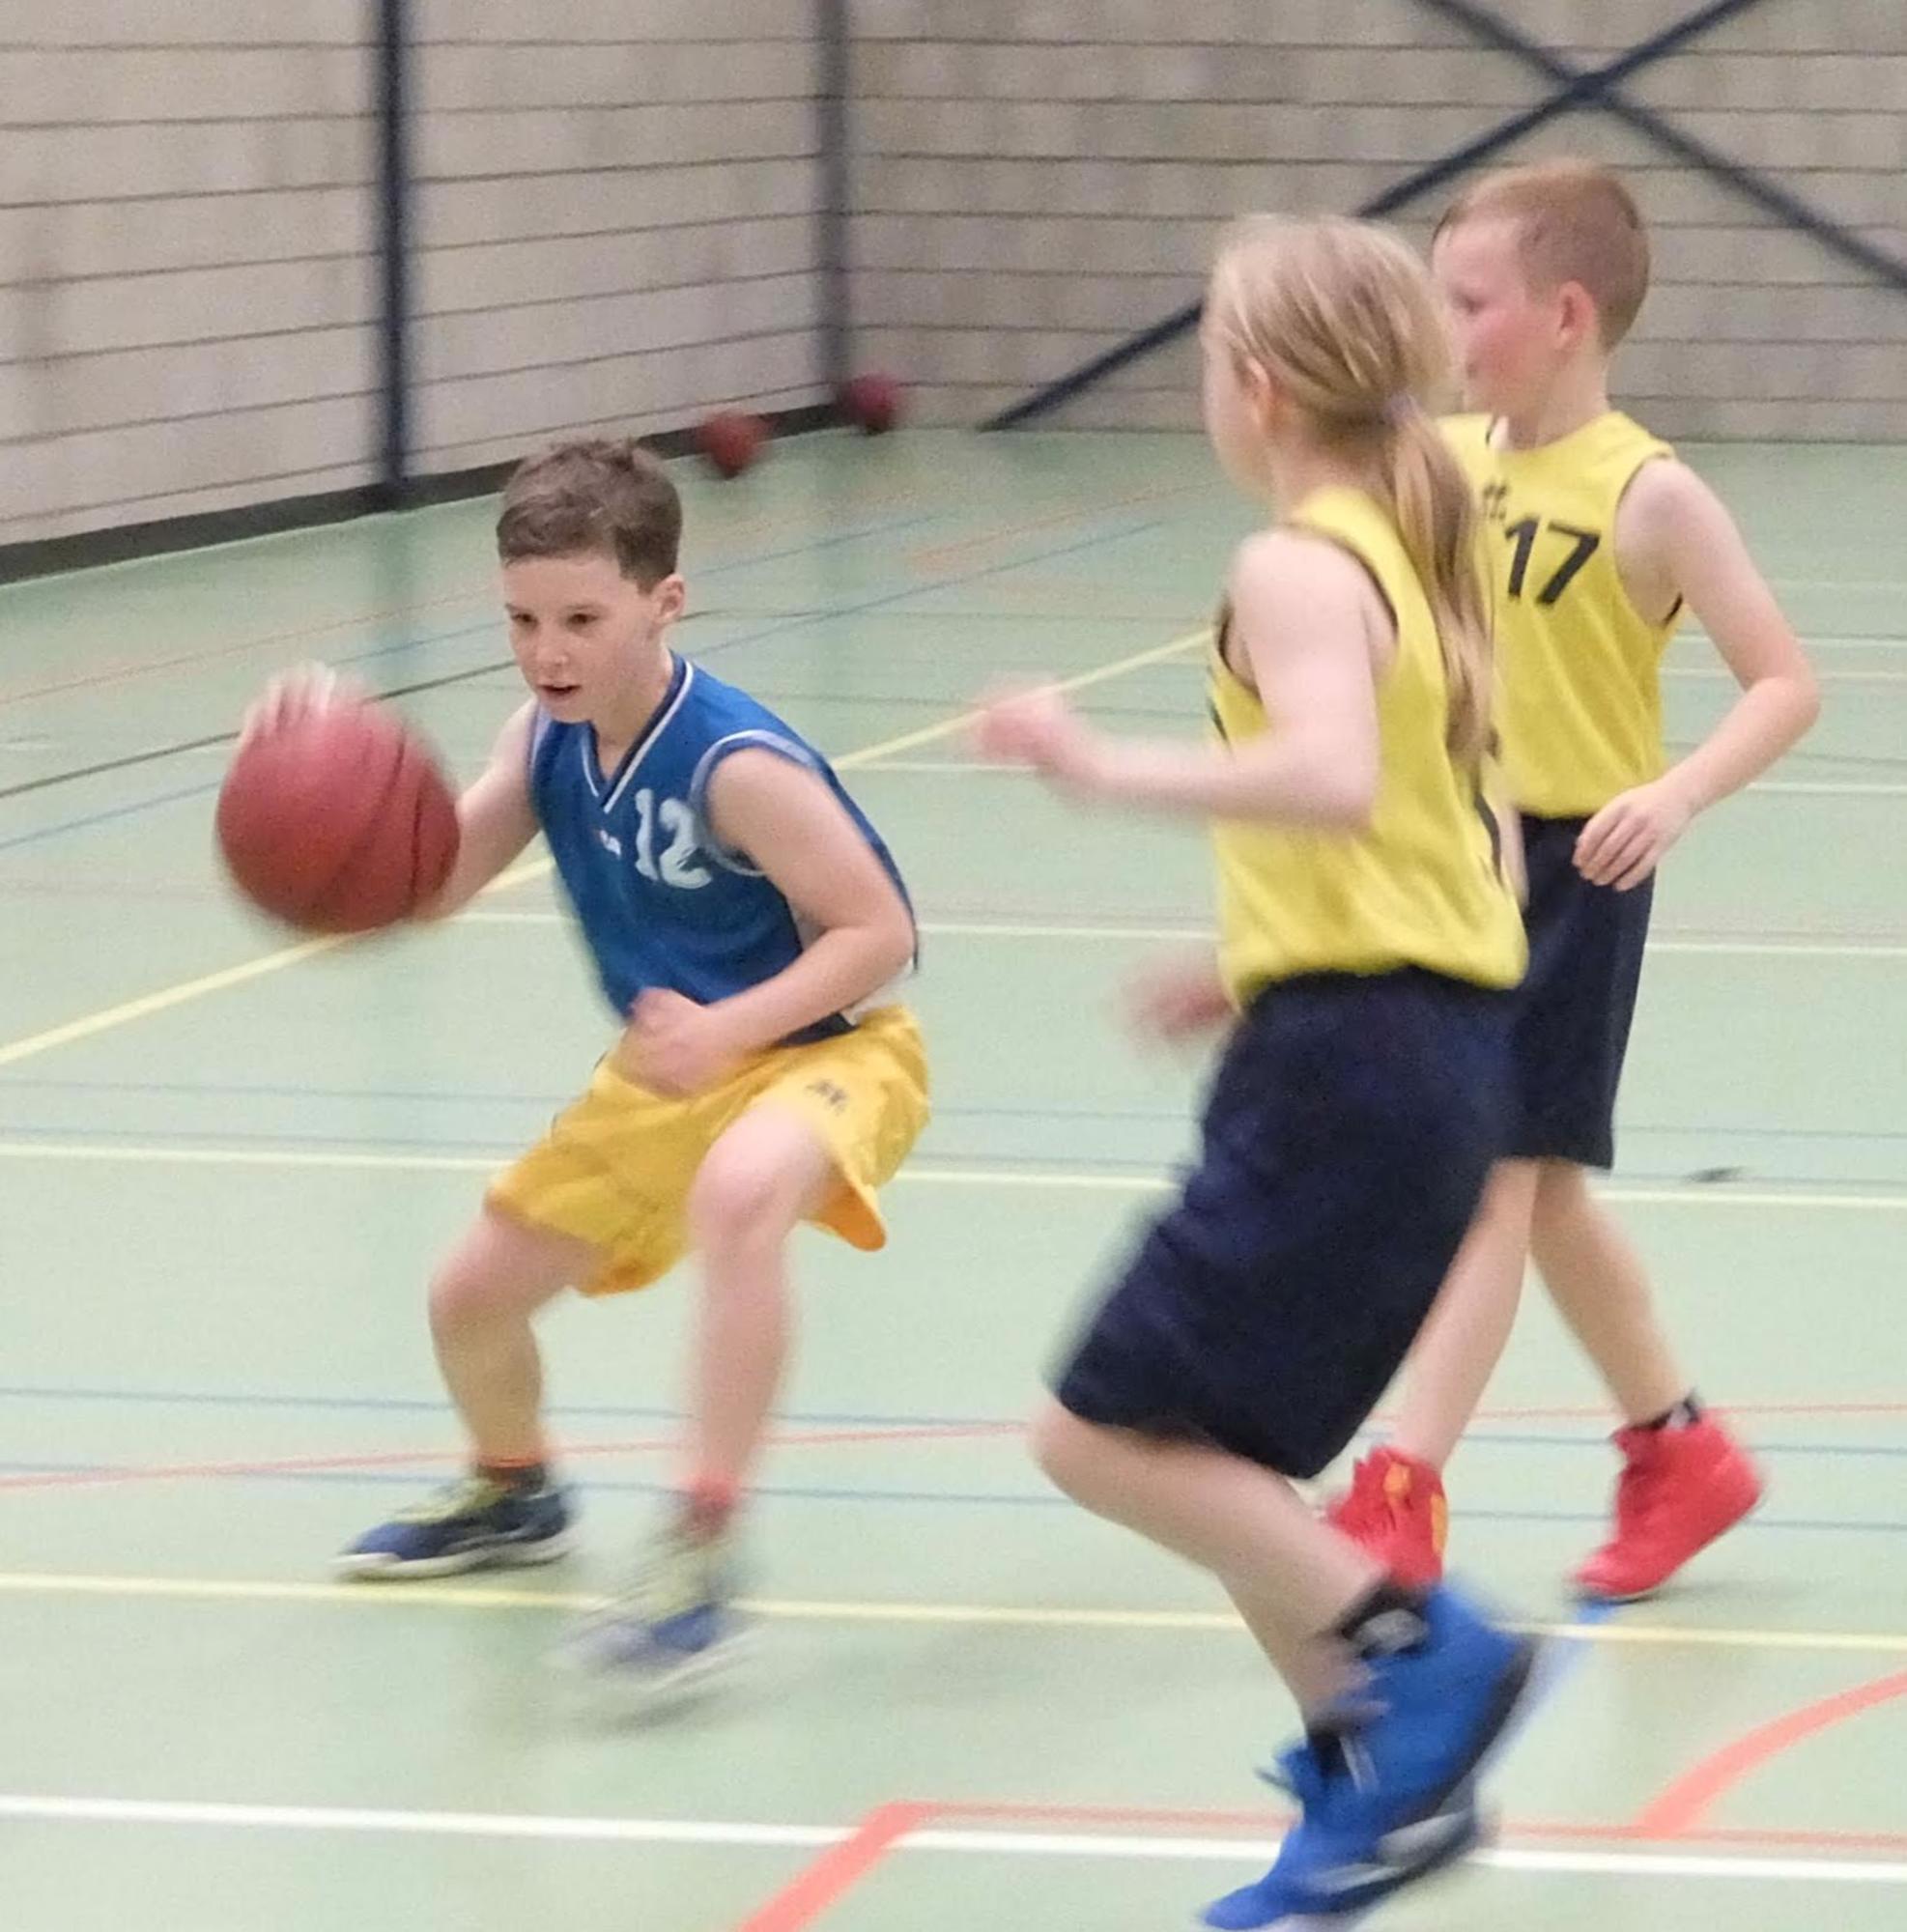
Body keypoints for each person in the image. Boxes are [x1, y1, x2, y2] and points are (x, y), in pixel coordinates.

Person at [977, 215, 1535, 1929]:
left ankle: (1419, 1654)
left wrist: (1090, 763)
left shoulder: (1296, 563)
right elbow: (1469, 846)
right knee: (1203, 1439)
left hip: (1356, 1065)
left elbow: (1331, 777)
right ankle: (1375, 1780)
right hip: (1422, 1050)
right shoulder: (1413, 555)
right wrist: (1255, 966)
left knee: (1090, 1435)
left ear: (1261, 387)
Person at [260, 439, 927, 1692]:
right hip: (665, 1074)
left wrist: (731, 1028)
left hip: (825, 1052)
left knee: (741, 1198)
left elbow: (880, 936)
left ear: (663, 602)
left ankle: (700, 1548)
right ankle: (515, 1492)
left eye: (581, 619)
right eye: (522, 621)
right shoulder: (544, 740)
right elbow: (431, 888)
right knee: (468, 1300)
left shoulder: (735, 763)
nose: (547, 652)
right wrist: (317, 762)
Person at [1330, 161, 1819, 1603]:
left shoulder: (1650, 494)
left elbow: (1783, 683)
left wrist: (1673, 793)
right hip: (1449, 855)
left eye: (1466, 301)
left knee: (1491, 1184)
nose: (1442, 328)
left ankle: (1398, 1493)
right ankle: (1681, 1451)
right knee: (1539, 1198)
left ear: (1564, 315)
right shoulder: (1438, 462)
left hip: (1573, 867)